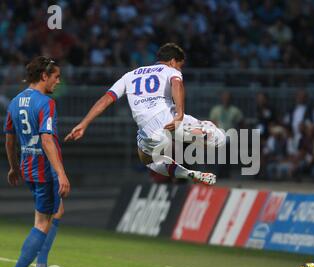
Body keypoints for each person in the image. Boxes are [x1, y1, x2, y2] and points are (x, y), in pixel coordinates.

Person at [65, 43, 225, 185]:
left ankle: (187, 173)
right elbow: (177, 84)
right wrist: (180, 114)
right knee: (220, 138)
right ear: (173, 61)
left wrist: (84, 123)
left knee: (147, 160)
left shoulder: (129, 76)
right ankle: (201, 132)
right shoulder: (170, 70)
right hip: (169, 119)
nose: (180, 69)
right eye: (180, 65)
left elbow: (106, 100)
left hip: (148, 130)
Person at [3, 56, 70, 267]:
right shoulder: (46, 103)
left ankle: (41, 266)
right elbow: (47, 138)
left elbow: (9, 139)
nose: (58, 81)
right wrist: (61, 173)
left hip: (27, 167)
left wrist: (13, 167)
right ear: (44, 76)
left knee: (55, 211)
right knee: (43, 224)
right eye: (56, 76)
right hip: (45, 171)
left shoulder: (14, 102)